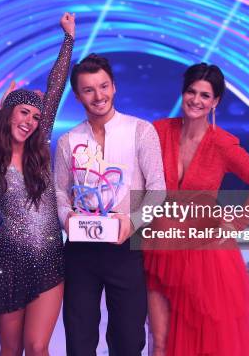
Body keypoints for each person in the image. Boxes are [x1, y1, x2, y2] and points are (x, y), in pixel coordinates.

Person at [143, 63, 249, 356]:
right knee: (160, 340)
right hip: (159, 250)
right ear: (183, 92)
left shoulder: (222, 145)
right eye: (191, 91)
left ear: (215, 102)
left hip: (205, 256)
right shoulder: (159, 131)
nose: (196, 100)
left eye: (205, 95)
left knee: (203, 340)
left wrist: (235, 224)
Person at [54, 54, 166, 355]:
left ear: (114, 87)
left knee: (128, 340)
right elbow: (59, 191)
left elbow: (158, 190)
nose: (98, 96)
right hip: (81, 250)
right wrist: (67, 218)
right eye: (88, 90)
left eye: (103, 86)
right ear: (78, 96)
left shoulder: (141, 130)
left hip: (127, 246)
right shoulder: (68, 140)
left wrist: (132, 221)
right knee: (79, 340)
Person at [0, 13, 75, 356]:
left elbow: (56, 86)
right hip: (8, 261)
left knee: (37, 346)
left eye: (36, 117)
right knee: (11, 350)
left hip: (50, 257)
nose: (31, 122)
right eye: (23, 113)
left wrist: (68, 40)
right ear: (9, 113)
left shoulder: (41, 148)